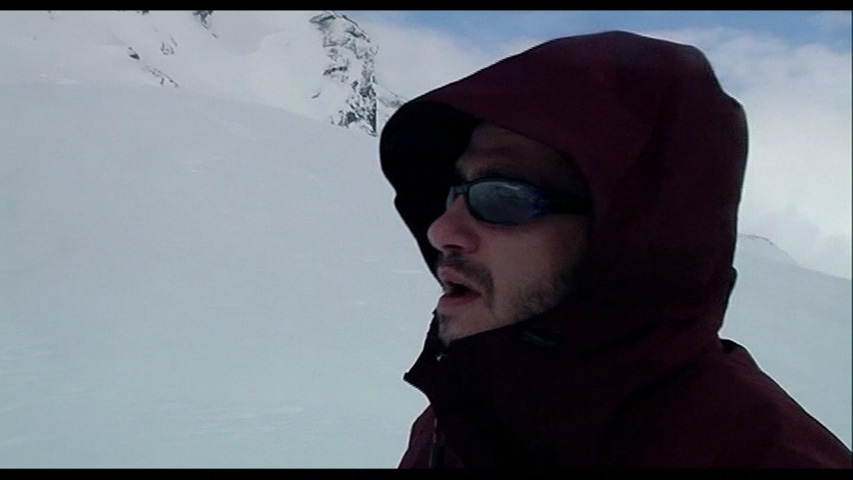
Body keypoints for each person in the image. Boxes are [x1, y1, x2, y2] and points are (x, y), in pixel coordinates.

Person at [378, 31, 852, 468]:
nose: (441, 230)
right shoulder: (458, 418)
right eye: (452, 193)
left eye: (501, 196)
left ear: (630, 238)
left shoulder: (760, 456)